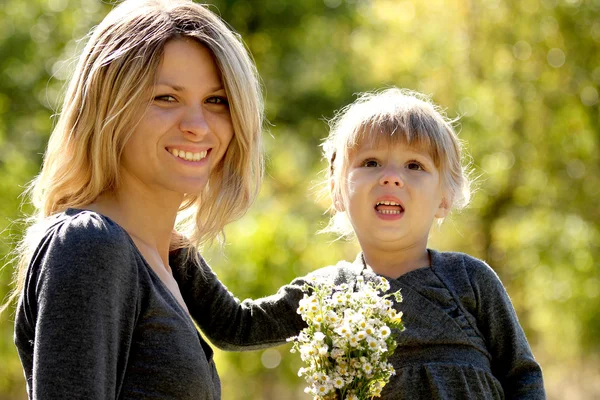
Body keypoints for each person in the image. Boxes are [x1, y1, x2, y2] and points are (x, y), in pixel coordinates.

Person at [174, 88, 546, 399]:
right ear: (337, 191)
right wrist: (172, 242)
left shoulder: (470, 280)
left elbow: (522, 377)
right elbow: (237, 327)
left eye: (414, 166)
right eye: (370, 162)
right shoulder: (326, 294)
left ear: (445, 198)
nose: (391, 178)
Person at [5, 0, 264, 398]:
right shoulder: (89, 246)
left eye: (217, 101)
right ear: (109, 105)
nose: (197, 126)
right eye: (166, 98)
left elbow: (244, 325)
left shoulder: (167, 258)